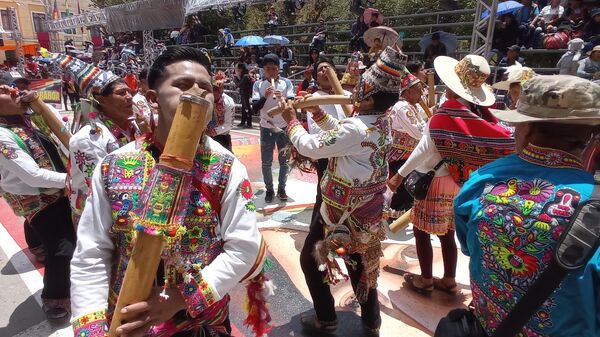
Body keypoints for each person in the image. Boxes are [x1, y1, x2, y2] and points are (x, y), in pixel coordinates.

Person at [70, 46, 267, 337]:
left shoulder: (227, 167)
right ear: (153, 98)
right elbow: (93, 251)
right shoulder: (114, 166)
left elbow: (244, 248)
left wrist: (180, 298)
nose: (199, 93)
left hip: (202, 319)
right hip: (128, 320)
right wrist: (93, 328)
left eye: (207, 88)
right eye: (183, 85)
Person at [455, 75, 600, 337]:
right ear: (590, 136)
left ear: (527, 129)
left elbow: (468, 246)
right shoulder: (594, 201)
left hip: (489, 326)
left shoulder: (482, 180)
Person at [286, 46, 407, 337]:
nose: (358, 83)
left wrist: (290, 120)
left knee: (311, 258)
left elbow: (311, 146)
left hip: (340, 213)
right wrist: (317, 112)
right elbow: (341, 133)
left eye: (364, 82)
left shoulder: (357, 127)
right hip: (366, 210)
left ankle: (327, 318)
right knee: (359, 264)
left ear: (368, 94)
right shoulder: (382, 121)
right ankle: (371, 323)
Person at [388, 55, 514, 294]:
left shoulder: (444, 117)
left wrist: (399, 176)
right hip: (457, 182)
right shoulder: (477, 116)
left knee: (421, 230)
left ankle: (426, 278)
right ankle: (448, 278)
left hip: (433, 181)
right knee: (447, 231)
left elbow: (425, 149)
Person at [0, 84, 75, 320]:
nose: (15, 93)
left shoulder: (26, 120)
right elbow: (32, 176)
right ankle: (54, 298)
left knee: (68, 235)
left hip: (58, 191)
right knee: (63, 249)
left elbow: (63, 134)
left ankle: (38, 247)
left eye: (14, 89)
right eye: (6, 93)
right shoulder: (2, 136)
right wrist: (76, 180)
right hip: (38, 199)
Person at [54, 54, 138, 225]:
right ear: (100, 99)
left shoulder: (132, 126)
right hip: (97, 217)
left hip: (124, 208)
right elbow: (98, 186)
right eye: (122, 93)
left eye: (130, 92)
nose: (129, 97)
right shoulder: (88, 138)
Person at [251, 54, 295, 203]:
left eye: (274, 69)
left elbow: (292, 103)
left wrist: (282, 97)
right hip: (266, 126)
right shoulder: (258, 84)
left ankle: (282, 188)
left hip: (283, 127)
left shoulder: (286, 83)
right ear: (263, 69)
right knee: (266, 162)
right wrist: (265, 96)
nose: (271, 72)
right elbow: (255, 108)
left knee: (284, 161)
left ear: (278, 69)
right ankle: (269, 189)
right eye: (268, 69)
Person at [388, 74, 428, 214]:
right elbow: (420, 132)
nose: (422, 93)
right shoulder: (402, 107)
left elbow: (422, 126)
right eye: (419, 90)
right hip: (398, 157)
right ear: (408, 91)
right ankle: (395, 213)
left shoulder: (411, 107)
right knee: (406, 185)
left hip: (409, 155)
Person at [208, 71, 235, 151]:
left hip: (222, 137)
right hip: (204, 136)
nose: (213, 94)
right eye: (212, 90)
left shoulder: (228, 102)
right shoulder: (205, 99)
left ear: (221, 91)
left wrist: (213, 132)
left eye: (216, 91)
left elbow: (228, 124)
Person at [234, 62, 254, 128]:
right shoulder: (244, 76)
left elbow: (239, 85)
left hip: (246, 95)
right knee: (244, 109)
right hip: (244, 94)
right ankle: (243, 122)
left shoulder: (245, 76)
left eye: (238, 69)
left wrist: (235, 79)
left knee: (247, 109)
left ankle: (249, 123)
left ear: (241, 69)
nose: (237, 71)